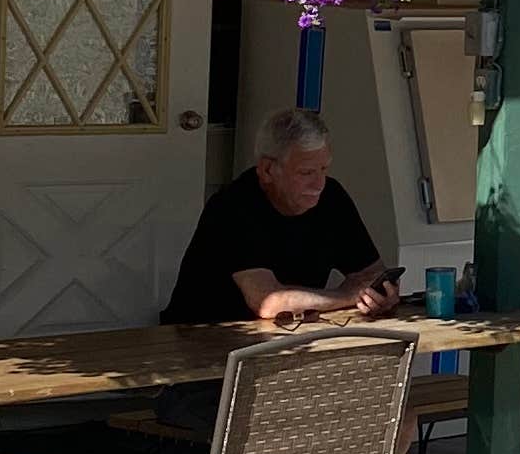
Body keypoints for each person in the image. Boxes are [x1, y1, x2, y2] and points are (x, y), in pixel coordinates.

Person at [166, 107, 399, 327]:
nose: (319, 184)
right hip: (204, 338)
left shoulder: (332, 197)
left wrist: (380, 295)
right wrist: (348, 295)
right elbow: (268, 303)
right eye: (306, 172)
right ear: (268, 170)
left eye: (324, 169)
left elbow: (373, 274)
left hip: (290, 333)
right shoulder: (233, 206)